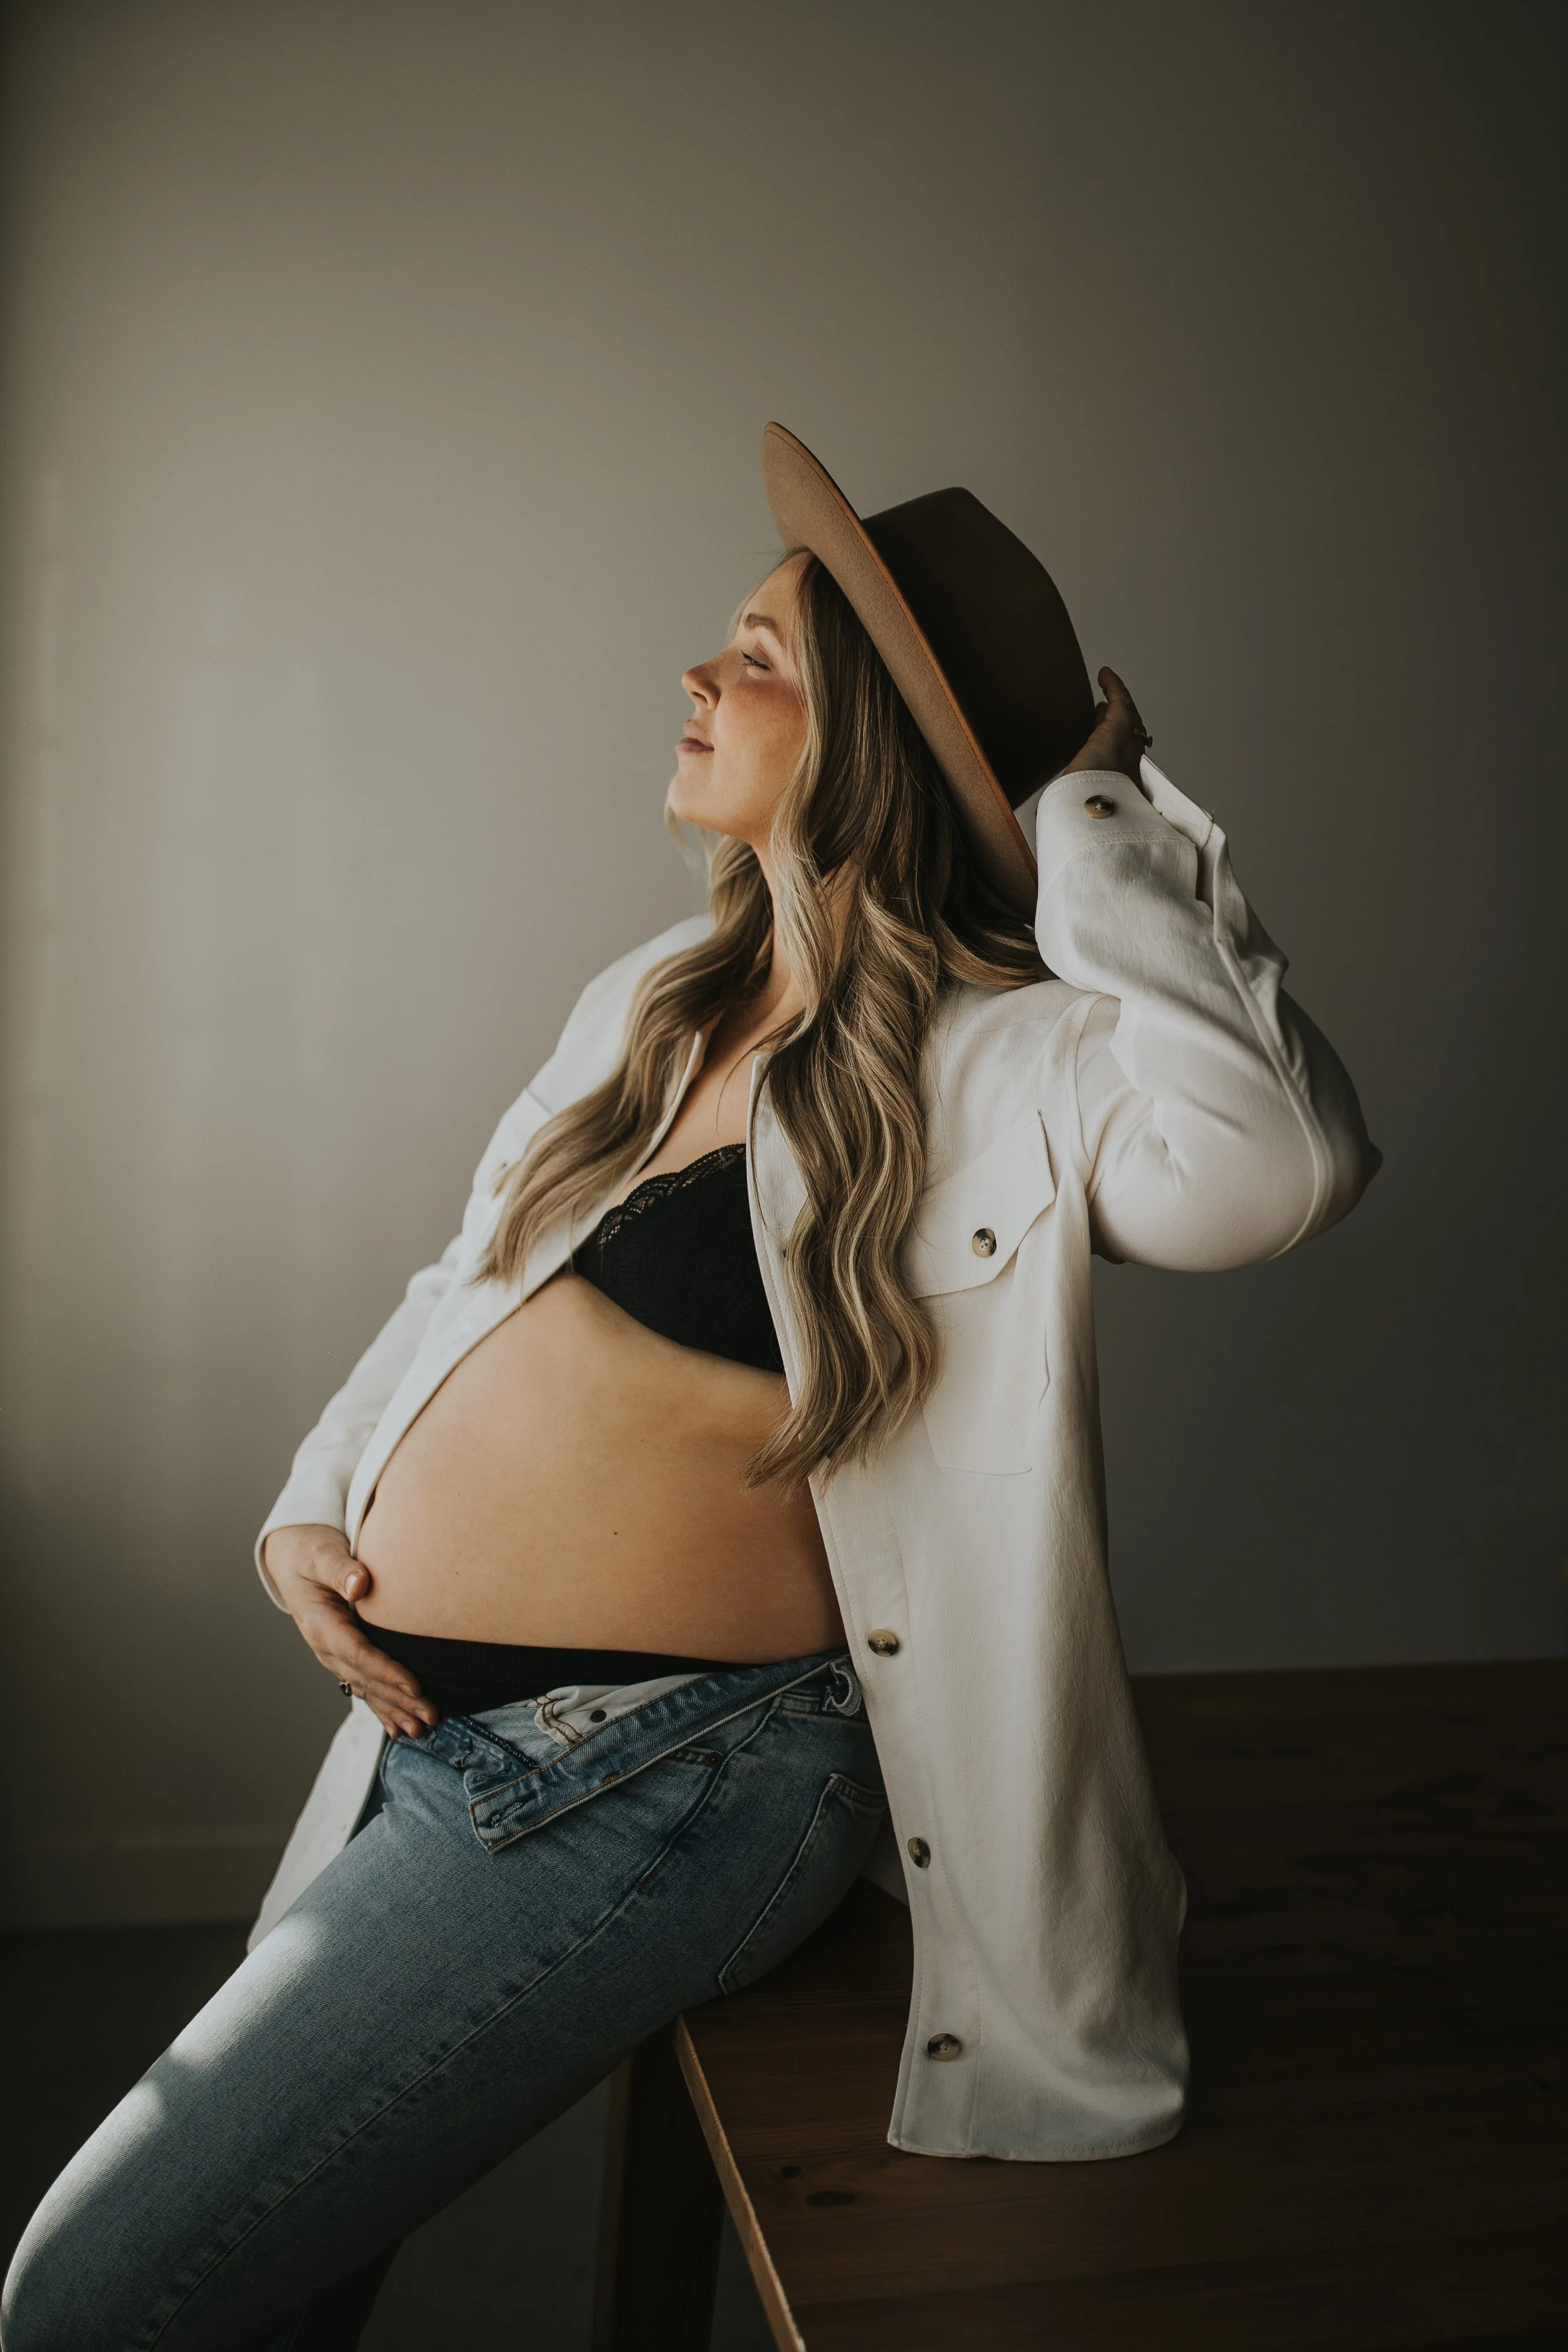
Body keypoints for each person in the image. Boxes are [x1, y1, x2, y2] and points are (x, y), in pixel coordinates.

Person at [3, 425, 1377, 2349]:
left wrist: (1080, 801)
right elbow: (466, 1272)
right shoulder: (662, 985)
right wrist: (316, 1499)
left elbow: (1281, 1166)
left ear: (887, 734)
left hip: (663, 1775)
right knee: (269, 2283)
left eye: (760, 652)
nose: (697, 676)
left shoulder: (1012, 1058)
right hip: (425, 1745)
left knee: (87, 2300)